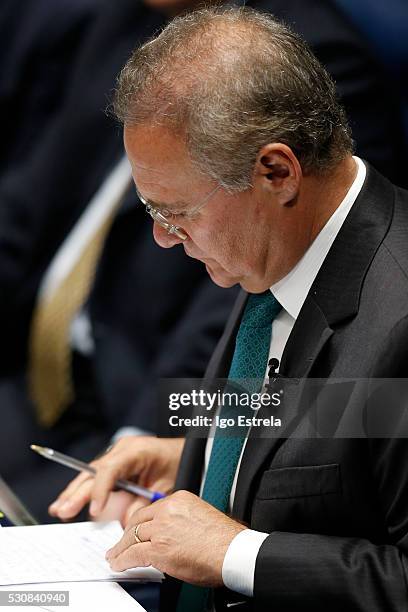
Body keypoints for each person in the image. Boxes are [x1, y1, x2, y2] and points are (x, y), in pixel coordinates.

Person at [49, 6, 408, 611]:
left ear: (276, 172)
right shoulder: (283, 244)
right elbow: (360, 431)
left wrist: (237, 552)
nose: (165, 238)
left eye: (178, 212)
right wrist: (212, 452)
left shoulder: (399, 315)